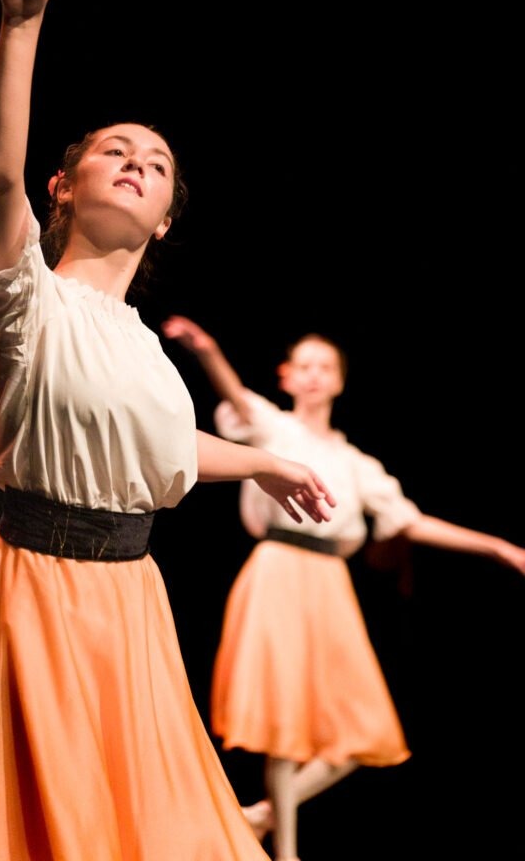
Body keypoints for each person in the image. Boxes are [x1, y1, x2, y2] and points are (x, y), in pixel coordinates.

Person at [0, 0, 337, 861]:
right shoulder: (25, 296)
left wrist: (262, 465)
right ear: (63, 188)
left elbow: (161, 449)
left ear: (166, 222)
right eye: (115, 150)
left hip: (131, 600)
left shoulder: (144, 346)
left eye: (156, 162)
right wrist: (21, 26)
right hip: (35, 594)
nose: (137, 163)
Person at [161, 314, 525, 861]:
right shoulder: (274, 427)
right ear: (286, 376)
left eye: (324, 367)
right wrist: (209, 351)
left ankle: (261, 815)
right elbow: (235, 395)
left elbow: (409, 521)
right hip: (280, 570)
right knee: (283, 717)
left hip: (330, 584)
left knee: (363, 726)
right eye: (303, 366)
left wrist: (497, 546)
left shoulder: (357, 464)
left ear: (338, 380)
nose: (313, 375)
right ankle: (285, 851)